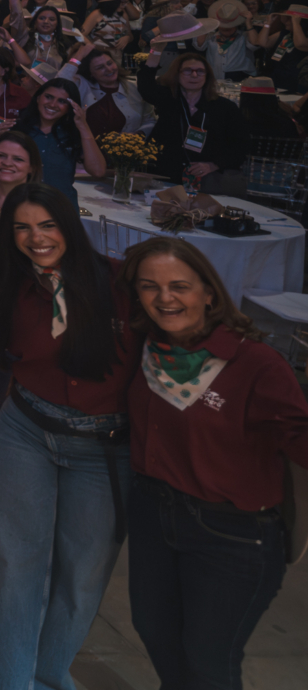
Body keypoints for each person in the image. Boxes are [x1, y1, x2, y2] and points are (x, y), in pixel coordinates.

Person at [0, 183, 139, 690]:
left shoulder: (119, 284)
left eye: (46, 225)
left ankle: (47, 674)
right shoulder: (12, 288)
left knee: (83, 575)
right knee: (15, 563)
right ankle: (1, 678)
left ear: (68, 226)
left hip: (104, 447)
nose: (35, 238)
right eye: (22, 227)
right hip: (27, 431)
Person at [120, 236, 308, 690]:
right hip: (153, 514)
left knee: (207, 663)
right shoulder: (144, 348)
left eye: (179, 286)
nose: (165, 298)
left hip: (232, 534)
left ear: (209, 292)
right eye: (150, 286)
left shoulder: (254, 363)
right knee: (156, 634)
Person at [138, 51, 249, 194]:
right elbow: (145, 85)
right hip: (165, 174)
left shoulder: (224, 107)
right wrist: (156, 50)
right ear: (177, 74)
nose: (194, 75)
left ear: (207, 76)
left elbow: (241, 146)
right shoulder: (167, 99)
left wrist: (214, 165)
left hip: (207, 180)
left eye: (200, 71)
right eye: (188, 71)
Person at [8, 79, 106, 205]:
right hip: (21, 205)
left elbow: (98, 171)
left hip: (61, 210)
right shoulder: (18, 130)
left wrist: (83, 126)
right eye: (48, 97)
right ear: (38, 98)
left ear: (70, 107)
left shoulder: (73, 135)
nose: (53, 104)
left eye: (62, 101)